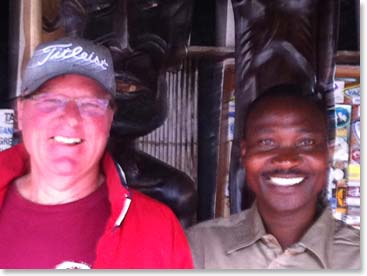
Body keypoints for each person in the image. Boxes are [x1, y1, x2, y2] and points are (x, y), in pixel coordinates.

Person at [0, 37, 193, 269]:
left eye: (91, 104)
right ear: (21, 112)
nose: (71, 118)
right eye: (50, 101)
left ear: (110, 119)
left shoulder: (158, 229)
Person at [186, 84, 360, 269]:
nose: (286, 160)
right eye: (267, 142)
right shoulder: (199, 249)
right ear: (244, 154)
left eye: (306, 142)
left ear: (328, 155)